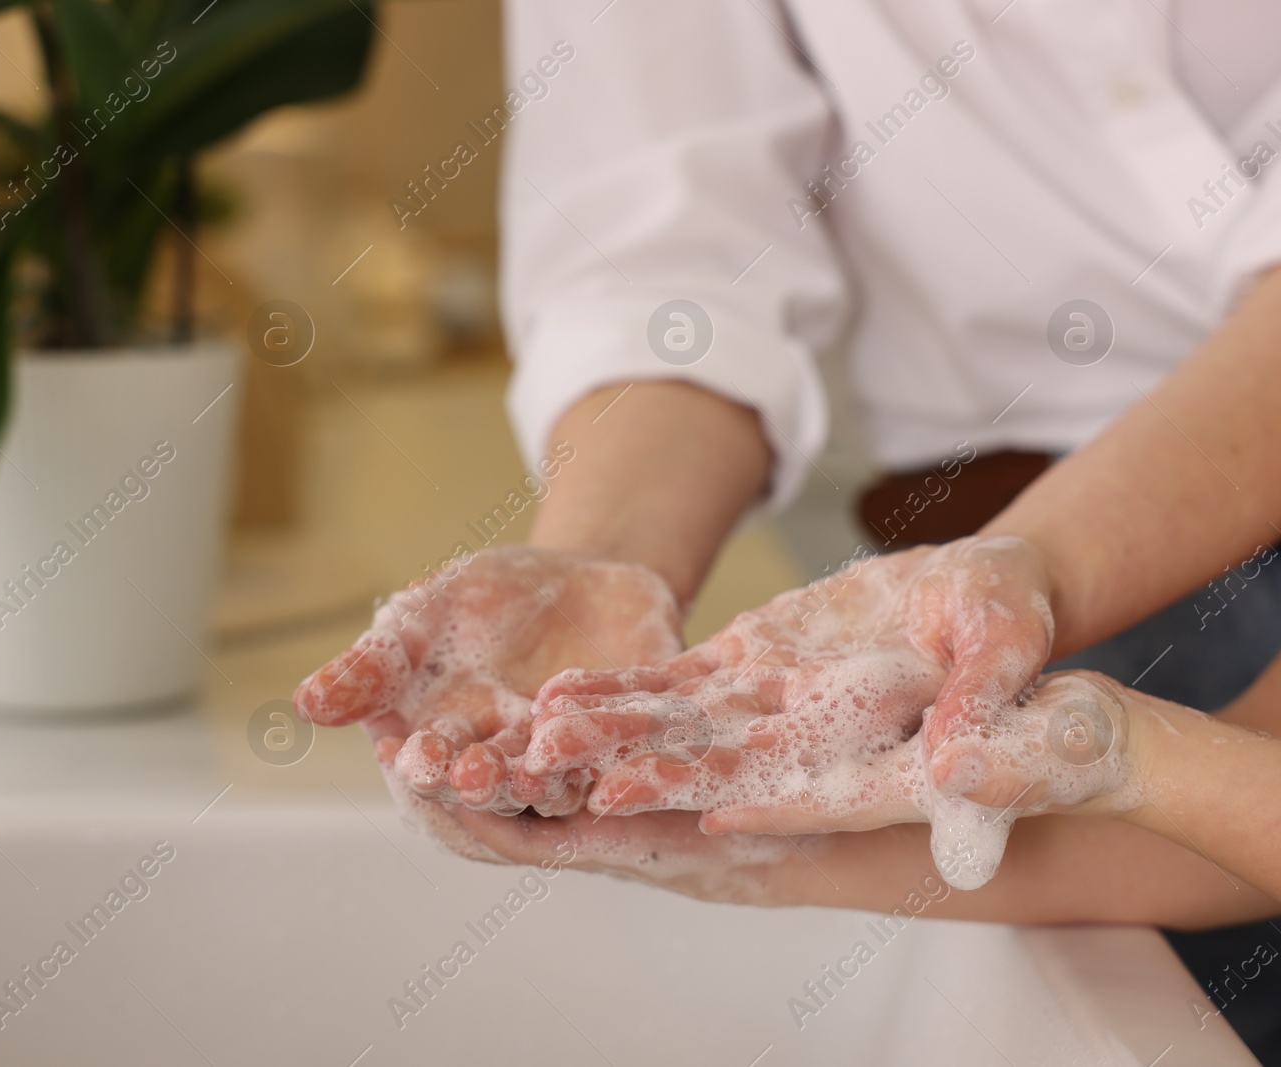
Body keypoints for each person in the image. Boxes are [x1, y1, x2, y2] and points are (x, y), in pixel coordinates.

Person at [298, 0, 1281, 1057]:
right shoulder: (1107, 739)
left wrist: (1034, 577)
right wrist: (606, 561)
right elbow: (663, 241)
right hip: (1017, 623)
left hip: (1023, 601)